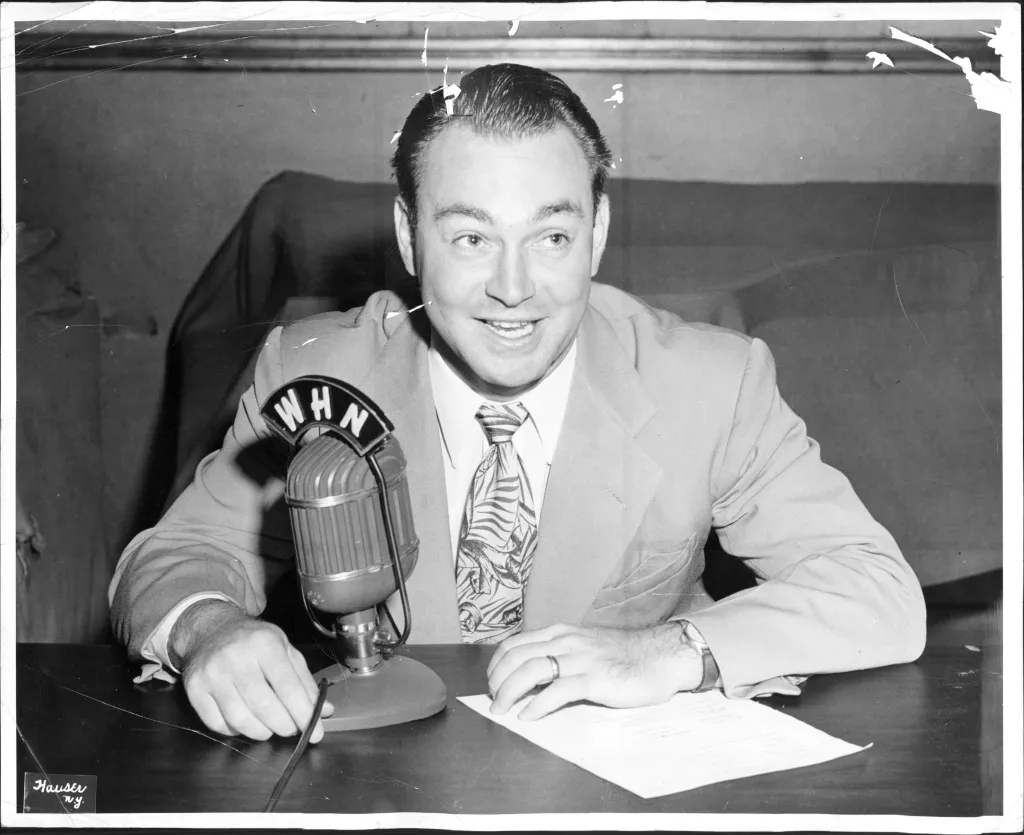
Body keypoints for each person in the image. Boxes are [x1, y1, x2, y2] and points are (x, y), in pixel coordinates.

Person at [109, 63, 926, 745]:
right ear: (408, 235)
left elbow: (876, 588)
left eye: (552, 237)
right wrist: (207, 629)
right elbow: (174, 558)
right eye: (470, 238)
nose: (512, 290)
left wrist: (670, 650)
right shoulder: (315, 374)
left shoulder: (712, 382)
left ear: (598, 233)